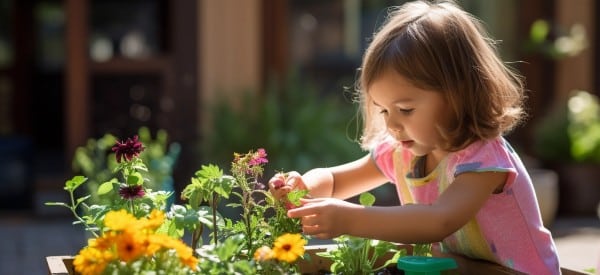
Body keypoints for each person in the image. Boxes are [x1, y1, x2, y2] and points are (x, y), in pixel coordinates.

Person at [268, 0, 560, 274]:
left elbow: (439, 220)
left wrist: (349, 219)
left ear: (456, 95)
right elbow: (336, 181)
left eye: (405, 109)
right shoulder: (400, 151)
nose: (392, 124)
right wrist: (305, 186)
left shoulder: (483, 159)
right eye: (383, 110)